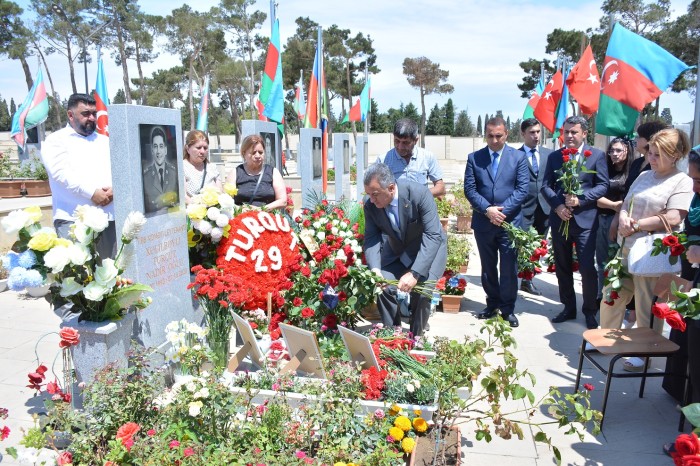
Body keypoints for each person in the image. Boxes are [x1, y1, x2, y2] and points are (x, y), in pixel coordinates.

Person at [600, 128, 693, 371]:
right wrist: (622, 218)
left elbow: (674, 216)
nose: (651, 159)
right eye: (650, 153)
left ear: (675, 156)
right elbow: (626, 203)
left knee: (645, 303)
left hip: (652, 252)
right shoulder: (644, 176)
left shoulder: (682, 181)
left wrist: (638, 224)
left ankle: (644, 351)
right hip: (627, 246)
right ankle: (605, 338)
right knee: (613, 294)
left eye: (657, 155)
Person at [363, 163, 447, 337]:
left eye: (375, 194)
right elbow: (371, 238)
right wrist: (376, 271)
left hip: (428, 250)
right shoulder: (370, 205)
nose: (371, 200)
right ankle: (393, 334)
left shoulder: (419, 194)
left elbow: (433, 235)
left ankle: (416, 336)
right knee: (383, 287)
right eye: (368, 195)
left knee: (422, 293)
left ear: (391, 188)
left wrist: (415, 273)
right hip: (397, 252)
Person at [542, 115, 609, 329]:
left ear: (584, 134)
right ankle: (568, 307)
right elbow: (546, 186)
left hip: (585, 221)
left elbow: (603, 185)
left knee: (587, 268)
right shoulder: (554, 157)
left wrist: (581, 200)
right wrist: (558, 206)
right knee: (562, 265)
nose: (569, 136)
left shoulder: (596, 156)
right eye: (566, 132)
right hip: (560, 219)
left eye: (574, 132)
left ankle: (589, 311)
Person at [464, 117, 529, 328]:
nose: (494, 140)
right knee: (488, 267)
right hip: (484, 223)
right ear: (486, 134)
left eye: (498, 136)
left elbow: (522, 190)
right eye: (490, 136)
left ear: (506, 134)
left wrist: (502, 212)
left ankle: (508, 309)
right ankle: (492, 304)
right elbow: (470, 190)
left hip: (509, 224)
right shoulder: (475, 158)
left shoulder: (518, 158)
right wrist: (488, 210)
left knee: (509, 267)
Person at [41, 93, 115, 259]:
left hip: (109, 217)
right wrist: (91, 193)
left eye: (94, 113)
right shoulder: (56, 140)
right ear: (70, 115)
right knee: (78, 278)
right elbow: (60, 173)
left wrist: (114, 189)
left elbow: (119, 169)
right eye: (85, 114)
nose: (91, 118)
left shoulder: (105, 141)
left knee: (112, 274)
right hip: (72, 220)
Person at [595, 137, 633, 307]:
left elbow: (629, 200)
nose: (614, 154)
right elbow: (595, 197)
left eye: (619, 150)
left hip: (622, 223)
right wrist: (613, 206)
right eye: (612, 150)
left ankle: (620, 300)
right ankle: (601, 296)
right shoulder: (604, 169)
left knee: (620, 264)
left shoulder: (633, 171)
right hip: (602, 218)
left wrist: (616, 218)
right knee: (602, 261)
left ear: (628, 151)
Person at [518, 118, 553, 296]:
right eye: (532, 132)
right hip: (524, 209)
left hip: (544, 208)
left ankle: (528, 279)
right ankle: (515, 275)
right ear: (523, 134)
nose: (536, 136)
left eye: (538, 132)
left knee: (539, 245)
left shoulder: (549, 155)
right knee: (522, 245)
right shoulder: (515, 156)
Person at [377, 118, 445, 197]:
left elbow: (441, 188)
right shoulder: (383, 160)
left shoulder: (428, 157)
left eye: (405, 143)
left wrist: (420, 196)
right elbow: (375, 188)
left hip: (420, 208)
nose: (400, 146)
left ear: (416, 140)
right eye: (397, 141)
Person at [227, 134, 287, 209]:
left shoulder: (273, 172)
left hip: (267, 217)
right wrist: (241, 209)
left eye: (261, 152)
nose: (258, 156)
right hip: (241, 218)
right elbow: (226, 201)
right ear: (244, 153)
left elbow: (283, 201)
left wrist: (261, 209)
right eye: (253, 152)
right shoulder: (235, 173)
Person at [143, 126, 179, 213]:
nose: (158, 151)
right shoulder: (145, 175)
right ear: (152, 150)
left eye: (161, 146)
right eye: (155, 146)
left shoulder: (174, 172)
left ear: (165, 150)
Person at [182, 130, 222, 203]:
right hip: (192, 212)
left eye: (205, 148)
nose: (202, 151)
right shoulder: (182, 168)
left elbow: (220, 193)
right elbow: (184, 197)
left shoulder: (212, 168)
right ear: (188, 149)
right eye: (198, 147)